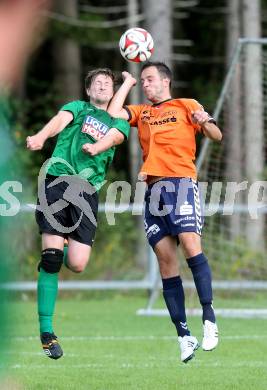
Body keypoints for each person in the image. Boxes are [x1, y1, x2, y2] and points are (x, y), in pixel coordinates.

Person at [106, 62, 222, 363]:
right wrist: (127, 83)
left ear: (166, 81)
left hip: (181, 183)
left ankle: (209, 320)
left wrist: (204, 119)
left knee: (190, 244)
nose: (146, 84)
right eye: (143, 80)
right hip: (153, 191)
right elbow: (112, 113)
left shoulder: (186, 105)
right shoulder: (142, 112)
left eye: (149, 79)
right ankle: (184, 335)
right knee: (166, 262)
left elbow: (216, 134)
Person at [26, 68, 130, 359]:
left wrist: (97, 146)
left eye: (107, 84)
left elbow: (113, 138)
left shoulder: (118, 121)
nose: (101, 85)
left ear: (113, 94)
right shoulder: (78, 108)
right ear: (88, 91)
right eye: (97, 83)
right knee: (52, 258)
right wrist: (41, 136)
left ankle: (65, 239)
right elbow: (60, 121)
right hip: (57, 182)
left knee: (78, 264)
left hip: (86, 192)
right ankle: (47, 332)